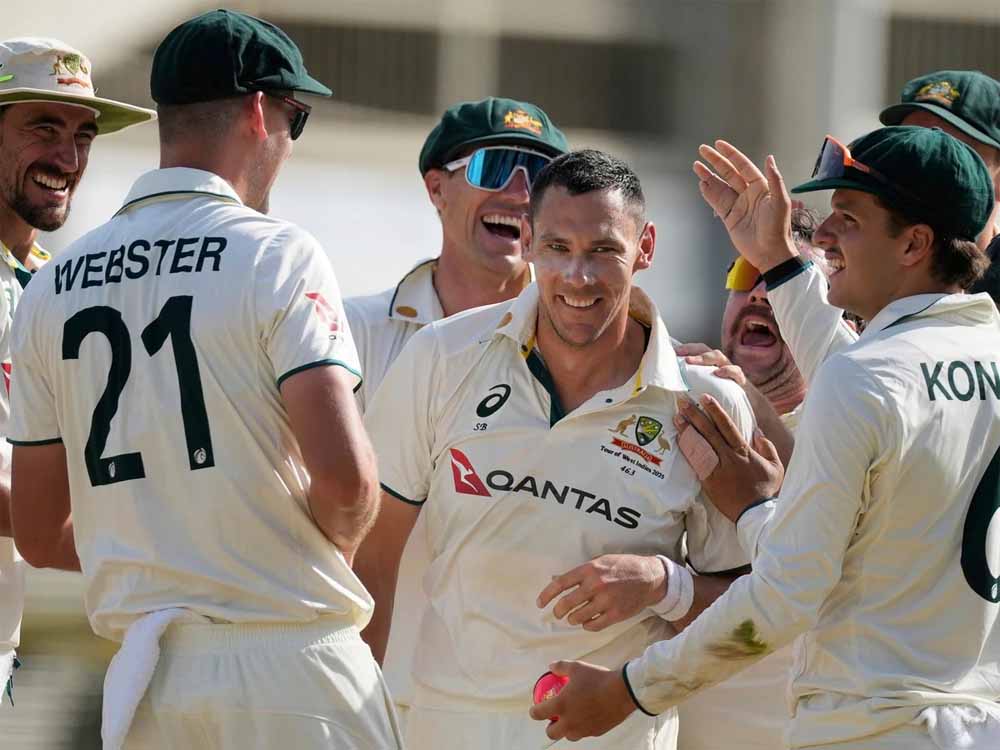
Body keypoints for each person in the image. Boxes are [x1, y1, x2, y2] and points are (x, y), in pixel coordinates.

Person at [531, 127, 1000, 750]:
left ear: (914, 243)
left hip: (872, 728)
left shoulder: (865, 379)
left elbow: (787, 595)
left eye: (849, 218)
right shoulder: (969, 354)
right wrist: (778, 261)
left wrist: (629, 689)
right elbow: (874, 378)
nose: (825, 234)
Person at [7, 10, 399, 749]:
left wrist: (169, 550)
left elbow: (37, 530)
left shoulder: (51, 286)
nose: (289, 142)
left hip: (145, 681)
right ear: (259, 111)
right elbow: (347, 484)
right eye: (295, 119)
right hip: (288, 660)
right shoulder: (276, 252)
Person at [357, 149, 765, 749]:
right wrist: (352, 716)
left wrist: (663, 583)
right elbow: (370, 558)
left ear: (646, 248)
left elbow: (757, 611)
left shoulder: (704, 403)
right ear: (527, 241)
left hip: (617, 735)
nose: (578, 277)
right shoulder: (443, 356)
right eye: (557, 248)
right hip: (448, 726)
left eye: (603, 250)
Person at [346, 96, 568, 724]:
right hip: (374, 696)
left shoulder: (598, 347)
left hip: (525, 712)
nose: (520, 193)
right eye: (495, 166)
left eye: (541, 175)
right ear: (436, 189)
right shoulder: (348, 333)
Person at [0, 36, 155, 708]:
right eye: (43, 128)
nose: (68, 158)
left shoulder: (56, 285)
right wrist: (157, 554)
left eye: (83, 135)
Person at [734, 70, 1000, 390]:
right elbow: (853, 381)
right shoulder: (865, 266)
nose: (919, 151)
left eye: (947, 143)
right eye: (906, 136)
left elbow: (863, 386)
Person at [671, 208, 823, 750]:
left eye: (781, 282)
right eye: (745, 275)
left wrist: (750, 402)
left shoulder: (850, 432)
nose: (759, 293)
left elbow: (812, 576)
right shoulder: (668, 406)